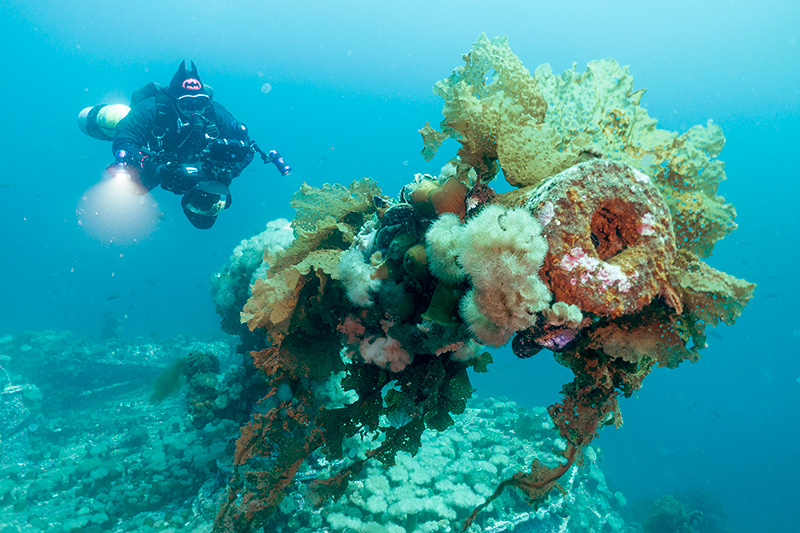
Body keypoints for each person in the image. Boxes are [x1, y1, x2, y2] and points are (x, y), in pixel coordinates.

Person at [112, 60, 254, 228]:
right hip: (158, 159)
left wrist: (229, 172)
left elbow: (248, 146)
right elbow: (124, 140)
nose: (194, 108)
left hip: (198, 161)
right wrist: (153, 167)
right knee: (132, 188)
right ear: (175, 99)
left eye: (200, 102)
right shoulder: (150, 108)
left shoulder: (213, 112)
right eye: (186, 102)